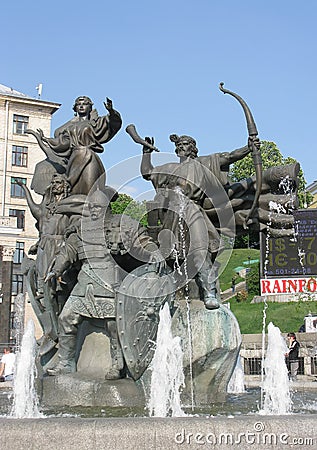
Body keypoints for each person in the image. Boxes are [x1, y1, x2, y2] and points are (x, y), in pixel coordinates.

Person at [45, 189, 160, 379]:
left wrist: (153, 251)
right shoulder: (81, 228)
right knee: (66, 318)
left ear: (107, 208)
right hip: (84, 283)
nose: (93, 211)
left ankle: (118, 364)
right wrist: (56, 270)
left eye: (97, 207)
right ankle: (66, 362)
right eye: (90, 207)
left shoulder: (122, 225)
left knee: (114, 325)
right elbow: (69, 251)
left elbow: (143, 242)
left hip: (109, 281)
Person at [27, 96, 122, 195]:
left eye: (84, 104)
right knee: (73, 191)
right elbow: (63, 142)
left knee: (90, 191)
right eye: (78, 104)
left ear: (90, 107)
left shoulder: (96, 123)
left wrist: (111, 111)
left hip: (89, 157)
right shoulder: (70, 127)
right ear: (75, 108)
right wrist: (45, 139)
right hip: (74, 160)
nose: (81, 106)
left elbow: (113, 123)